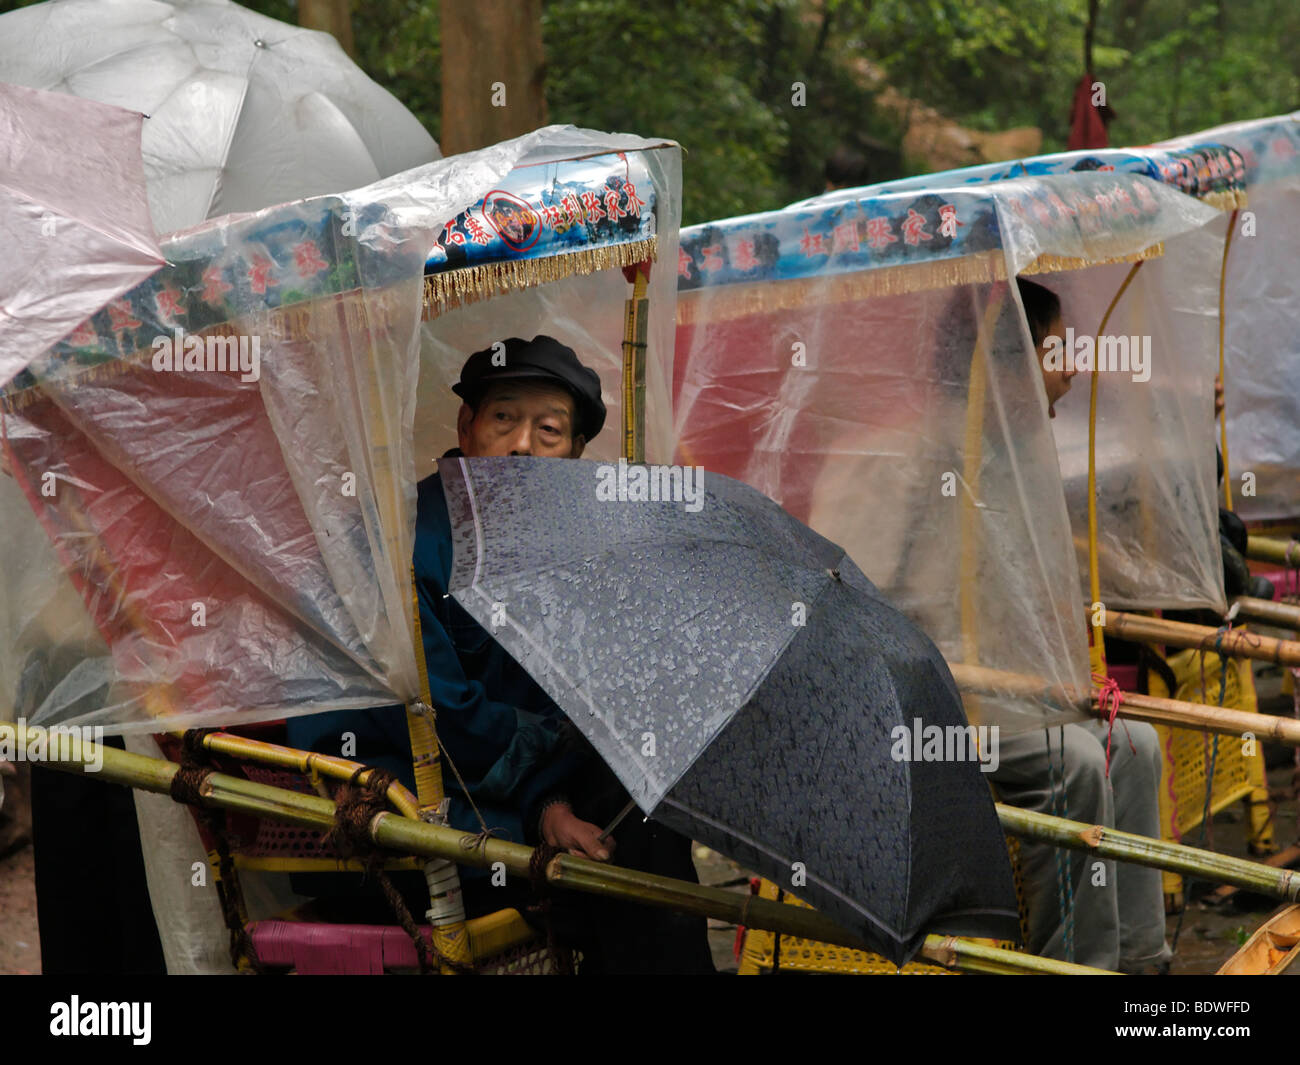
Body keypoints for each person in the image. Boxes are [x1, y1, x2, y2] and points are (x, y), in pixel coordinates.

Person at [288, 335, 715, 974]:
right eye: (503, 418)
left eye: (549, 430)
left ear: (574, 454)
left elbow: (582, 691)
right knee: (603, 866)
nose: (521, 445)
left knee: (645, 804)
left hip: (511, 779)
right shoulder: (403, 538)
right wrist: (548, 805)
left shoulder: (568, 547)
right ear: (467, 426)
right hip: (397, 789)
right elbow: (441, 714)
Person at [990, 278, 1172, 973]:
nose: (1069, 362)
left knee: (1136, 744)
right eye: (1051, 347)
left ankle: (1138, 960)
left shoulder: (1028, 446)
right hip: (957, 705)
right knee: (1074, 762)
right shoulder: (942, 453)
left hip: (1020, 693)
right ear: (1008, 360)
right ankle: (1076, 965)